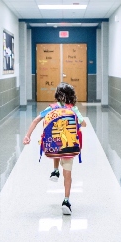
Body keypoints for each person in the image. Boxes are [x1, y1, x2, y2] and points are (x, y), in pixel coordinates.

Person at [23, 83, 87, 215]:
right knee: (68, 173)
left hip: (53, 146)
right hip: (69, 147)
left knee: (56, 145)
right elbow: (83, 124)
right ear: (72, 96)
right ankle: (66, 200)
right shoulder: (73, 109)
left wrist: (27, 136)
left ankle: (55, 170)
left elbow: (36, 120)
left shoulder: (51, 108)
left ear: (57, 96)